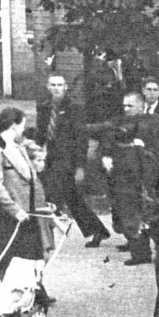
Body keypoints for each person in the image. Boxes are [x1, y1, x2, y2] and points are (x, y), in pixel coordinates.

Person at [31, 73, 111, 248]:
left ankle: (45, 239)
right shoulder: (44, 108)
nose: (56, 89)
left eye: (60, 85)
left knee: (51, 196)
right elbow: (41, 133)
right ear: (47, 87)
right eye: (53, 85)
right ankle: (98, 231)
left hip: (68, 160)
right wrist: (35, 152)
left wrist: (80, 166)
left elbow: (81, 139)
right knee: (71, 197)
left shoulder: (75, 108)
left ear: (66, 87)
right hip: (50, 158)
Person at [0, 107, 55, 307]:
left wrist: (40, 205)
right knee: (5, 258)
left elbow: (31, 181)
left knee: (32, 254)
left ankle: (32, 294)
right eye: (23, 124)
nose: (23, 129)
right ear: (14, 125)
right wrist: (14, 210)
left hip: (26, 213)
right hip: (6, 215)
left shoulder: (17, 146)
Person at [106, 91, 153, 266]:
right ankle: (139, 250)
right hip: (124, 174)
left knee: (137, 213)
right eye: (124, 105)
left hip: (140, 174)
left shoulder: (147, 124)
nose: (126, 109)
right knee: (127, 213)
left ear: (141, 106)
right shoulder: (123, 121)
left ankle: (141, 253)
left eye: (130, 106)